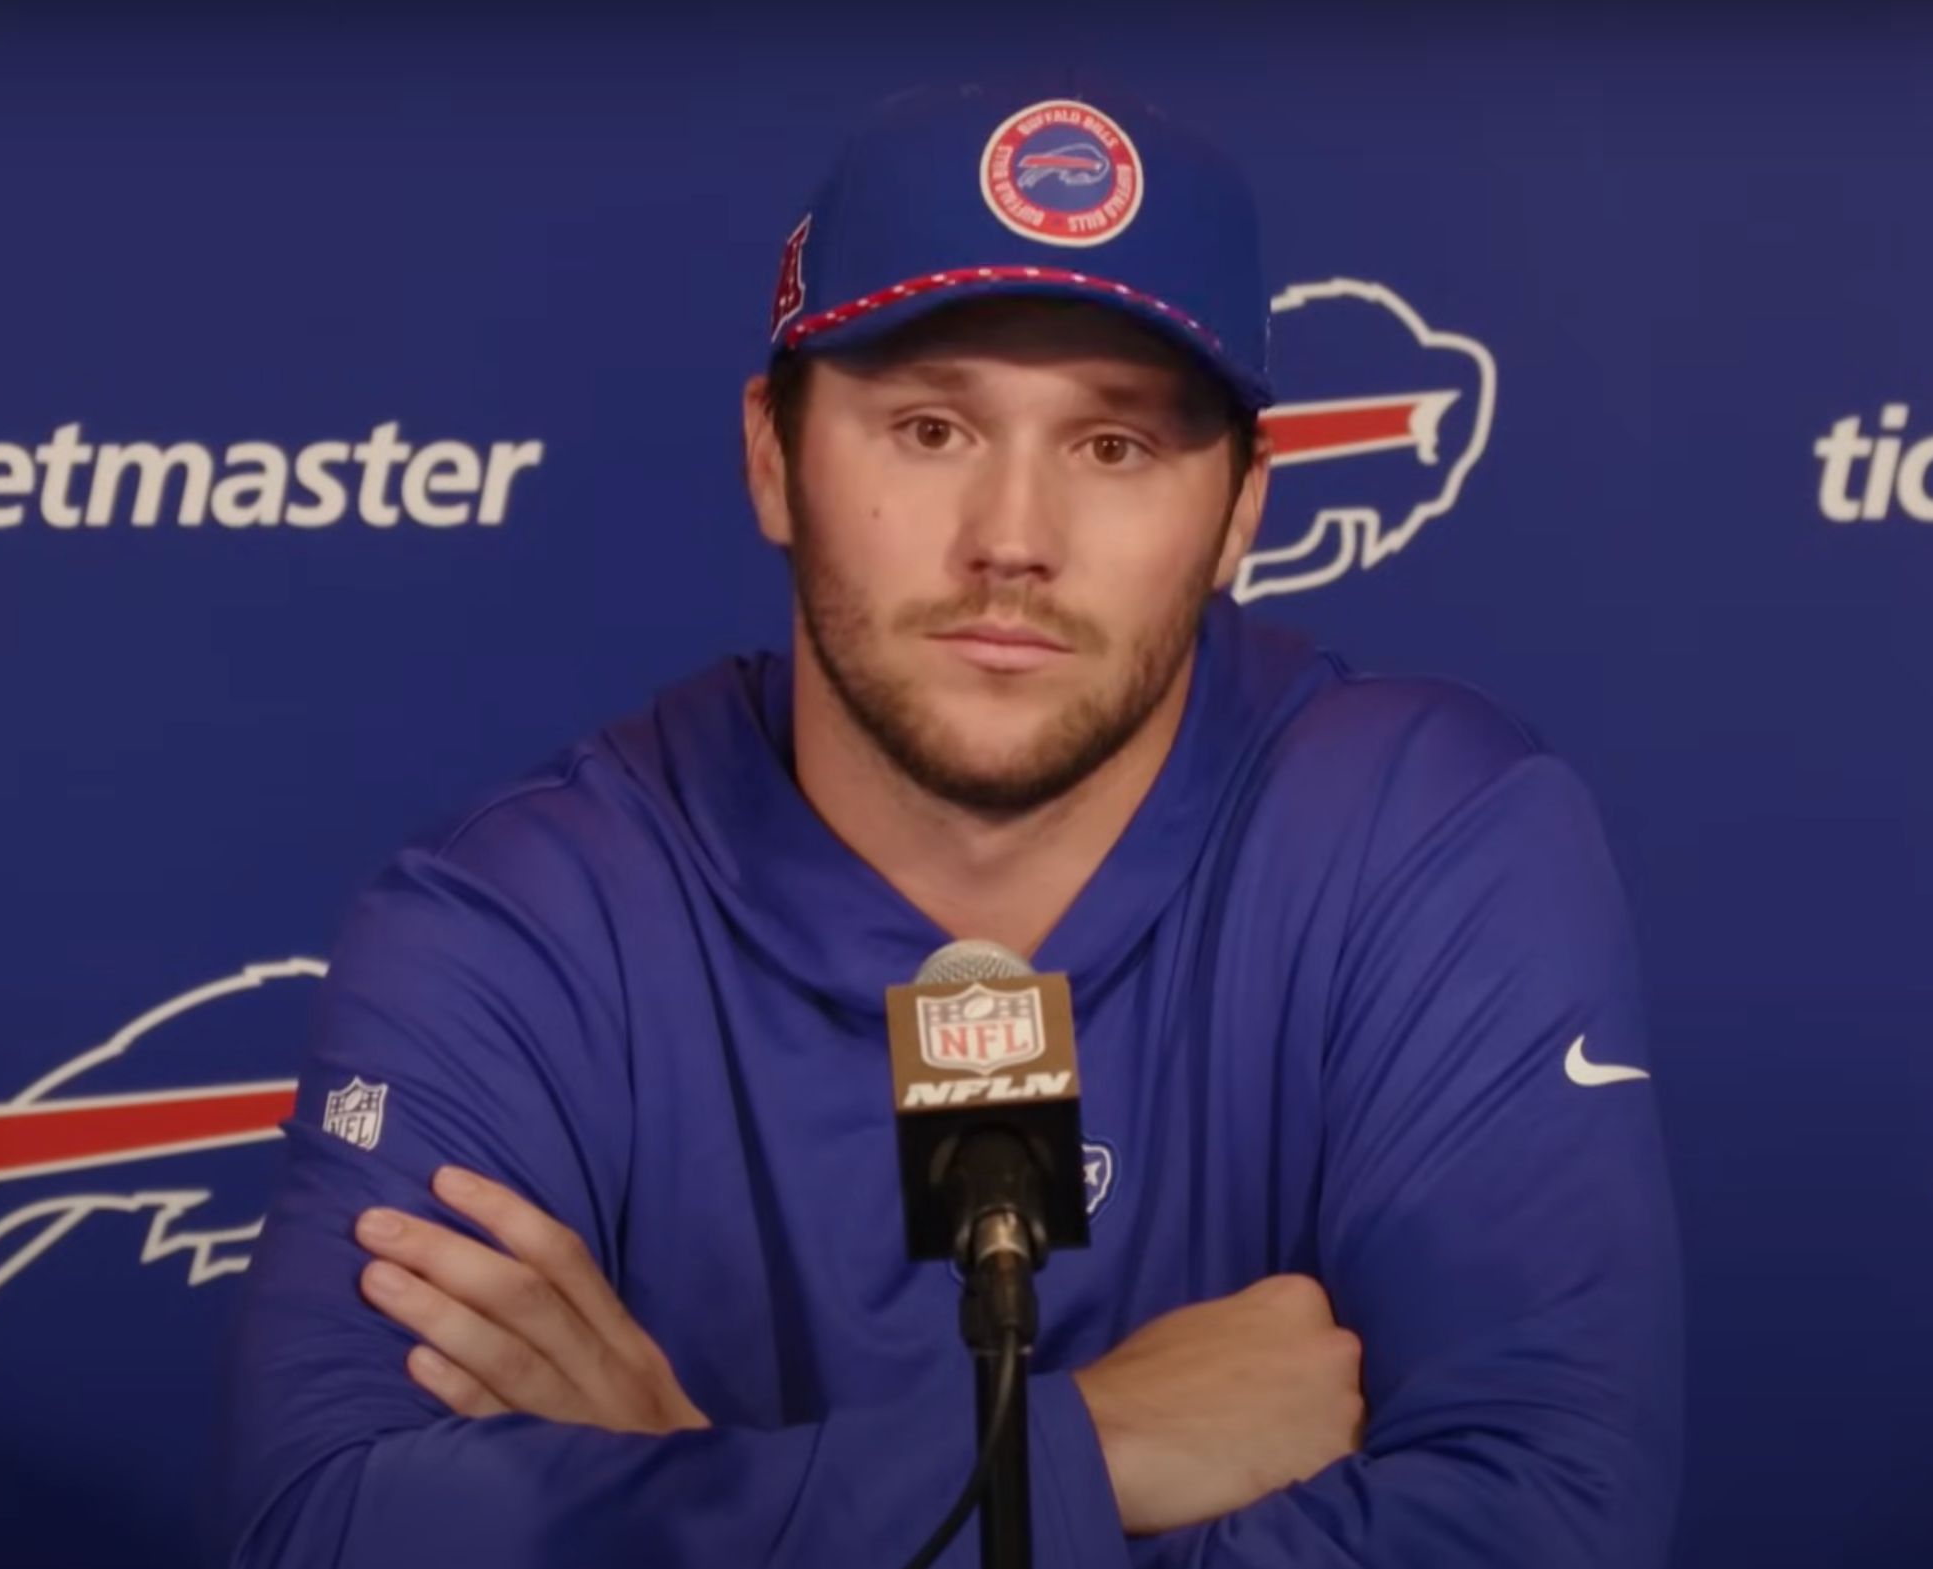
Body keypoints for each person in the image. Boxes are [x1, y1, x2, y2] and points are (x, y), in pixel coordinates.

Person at [215, 76, 1683, 1568]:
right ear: (774, 458)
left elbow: (1543, 1528)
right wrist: (1088, 1451)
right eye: (929, 428)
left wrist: (695, 1503)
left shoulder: (1423, 839)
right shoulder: (518, 919)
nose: (1012, 541)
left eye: (1113, 446)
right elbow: (327, 1532)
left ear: (1242, 509)